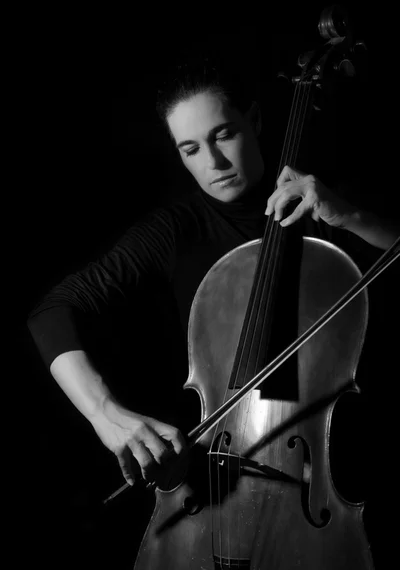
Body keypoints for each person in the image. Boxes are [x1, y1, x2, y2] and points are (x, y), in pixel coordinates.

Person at [27, 38, 398, 566]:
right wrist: (105, 414)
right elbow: (53, 311)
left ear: (254, 120)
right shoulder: (176, 230)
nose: (213, 161)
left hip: (332, 469)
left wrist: (350, 219)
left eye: (223, 133)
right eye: (191, 148)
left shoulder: (327, 209)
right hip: (214, 473)